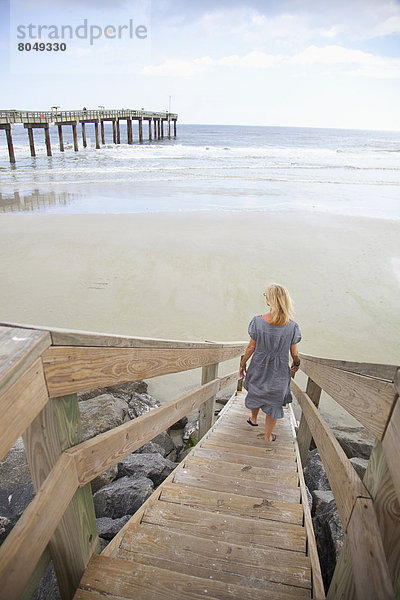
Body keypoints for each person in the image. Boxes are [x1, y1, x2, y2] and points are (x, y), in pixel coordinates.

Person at [239, 283, 301, 442]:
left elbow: (251, 346)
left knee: (256, 390)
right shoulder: (292, 327)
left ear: (270, 301)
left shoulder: (257, 321)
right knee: (274, 401)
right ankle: (267, 436)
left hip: (259, 364)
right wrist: (296, 363)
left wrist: (243, 363)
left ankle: (253, 419)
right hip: (279, 369)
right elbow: (294, 352)